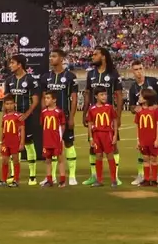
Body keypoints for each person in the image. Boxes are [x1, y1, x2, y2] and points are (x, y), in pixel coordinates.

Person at [1, 54, 42, 185]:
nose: (10, 65)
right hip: (12, 119)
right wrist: (4, 115)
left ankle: (32, 175)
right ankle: (13, 175)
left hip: (26, 118)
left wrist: (26, 114)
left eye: (12, 63)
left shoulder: (30, 80)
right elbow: (7, 99)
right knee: (12, 145)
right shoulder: (9, 80)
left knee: (29, 144)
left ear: (19, 64)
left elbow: (35, 101)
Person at [84, 48, 122, 186]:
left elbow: (118, 95)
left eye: (95, 54)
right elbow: (87, 93)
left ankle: (115, 177)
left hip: (109, 118)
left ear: (104, 56)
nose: (92, 56)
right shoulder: (91, 74)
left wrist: (119, 116)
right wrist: (85, 113)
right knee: (93, 148)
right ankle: (95, 176)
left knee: (113, 147)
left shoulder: (113, 73)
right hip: (94, 117)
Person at [42, 50, 80, 185]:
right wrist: (43, 112)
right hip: (50, 119)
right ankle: (50, 177)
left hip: (64, 116)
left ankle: (72, 176)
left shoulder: (70, 76)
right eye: (50, 56)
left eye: (54, 56)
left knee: (69, 144)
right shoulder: (46, 76)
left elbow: (74, 98)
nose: (51, 59)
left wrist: (72, 117)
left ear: (62, 58)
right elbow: (43, 96)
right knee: (50, 147)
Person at [128, 61, 158, 186]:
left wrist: (157, 107)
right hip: (144, 134)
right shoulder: (133, 88)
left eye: (140, 68)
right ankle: (144, 176)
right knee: (145, 157)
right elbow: (132, 106)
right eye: (136, 69)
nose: (139, 71)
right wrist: (135, 109)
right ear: (132, 71)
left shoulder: (153, 81)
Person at [86, 87, 119, 187]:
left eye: (105, 94)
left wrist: (115, 135)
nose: (104, 96)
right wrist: (91, 138)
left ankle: (114, 179)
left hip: (107, 134)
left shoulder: (109, 107)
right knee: (98, 156)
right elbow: (90, 123)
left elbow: (115, 121)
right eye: (102, 95)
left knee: (110, 155)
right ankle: (99, 180)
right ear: (96, 96)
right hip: (96, 135)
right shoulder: (92, 109)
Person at [134, 89, 158, 187]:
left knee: (154, 159)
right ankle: (146, 179)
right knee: (145, 159)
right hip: (143, 140)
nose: (139, 98)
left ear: (146, 99)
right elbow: (137, 125)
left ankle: (154, 179)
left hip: (153, 139)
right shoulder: (139, 111)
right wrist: (138, 140)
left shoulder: (154, 110)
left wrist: (157, 139)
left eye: (141, 96)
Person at [39, 90, 66, 186]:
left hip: (56, 140)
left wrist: (60, 137)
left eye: (48, 98)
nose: (46, 100)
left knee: (60, 159)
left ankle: (62, 180)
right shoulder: (44, 112)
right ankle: (49, 180)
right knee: (47, 160)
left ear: (54, 100)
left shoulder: (59, 112)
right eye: (45, 98)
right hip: (47, 140)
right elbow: (43, 125)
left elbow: (62, 125)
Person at [0, 96, 24, 187]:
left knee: (15, 160)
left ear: (14, 104)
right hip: (5, 142)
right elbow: (2, 129)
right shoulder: (4, 116)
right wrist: (0, 142)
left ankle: (16, 180)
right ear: (4, 105)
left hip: (15, 142)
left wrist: (22, 143)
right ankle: (3, 180)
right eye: (7, 104)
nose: (9, 106)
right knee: (4, 161)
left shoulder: (18, 116)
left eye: (11, 104)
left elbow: (22, 130)